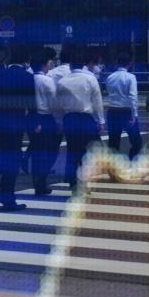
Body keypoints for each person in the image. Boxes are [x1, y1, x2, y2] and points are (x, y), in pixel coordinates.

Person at [0, 45, 36, 210]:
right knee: (14, 159)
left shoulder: (0, 75)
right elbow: (31, 104)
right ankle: (7, 195)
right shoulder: (27, 77)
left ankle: (4, 190)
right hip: (16, 123)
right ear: (26, 60)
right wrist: (32, 124)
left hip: (1, 123)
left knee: (4, 156)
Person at [56, 47, 105, 194]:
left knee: (72, 151)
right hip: (86, 118)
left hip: (69, 119)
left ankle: (73, 183)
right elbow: (98, 101)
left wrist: (59, 122)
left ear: (70, 64)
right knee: (87, 152)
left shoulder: (62, 82)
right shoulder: (90, 78)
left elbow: (58, 104)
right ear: (83, 64)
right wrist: (101, 121)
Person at [29, 47, 61, 195]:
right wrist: (58, 121)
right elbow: (54, 103)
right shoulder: (47, 81)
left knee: (37, 151)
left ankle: (37, 182)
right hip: (46, 118)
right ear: (44, 64)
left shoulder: (28, 78)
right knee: (50, 151)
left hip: (31, 117)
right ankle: (41, 181)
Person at [105, 53, 142, 160]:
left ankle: (114, 167)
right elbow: (133, 96)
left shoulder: (110, 77)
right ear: (129, 64)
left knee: (113, 142)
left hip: (112, 111)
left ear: (117, 63)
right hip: (126, 111)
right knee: (136, 141)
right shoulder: (131, 77)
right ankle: (130, 161)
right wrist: (134, 114)